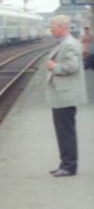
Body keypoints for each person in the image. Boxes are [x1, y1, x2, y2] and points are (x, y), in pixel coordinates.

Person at [44, 14, 87, 177]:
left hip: (65, 96)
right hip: (62, 96)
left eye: (52, 27)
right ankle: (65, 163)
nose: (50, 30)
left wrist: (54, 66)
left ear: (61, 27)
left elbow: (72, 66)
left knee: (65, 131)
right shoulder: (65, 42)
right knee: (63, 131)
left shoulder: (69, 44)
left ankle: (69, 166)